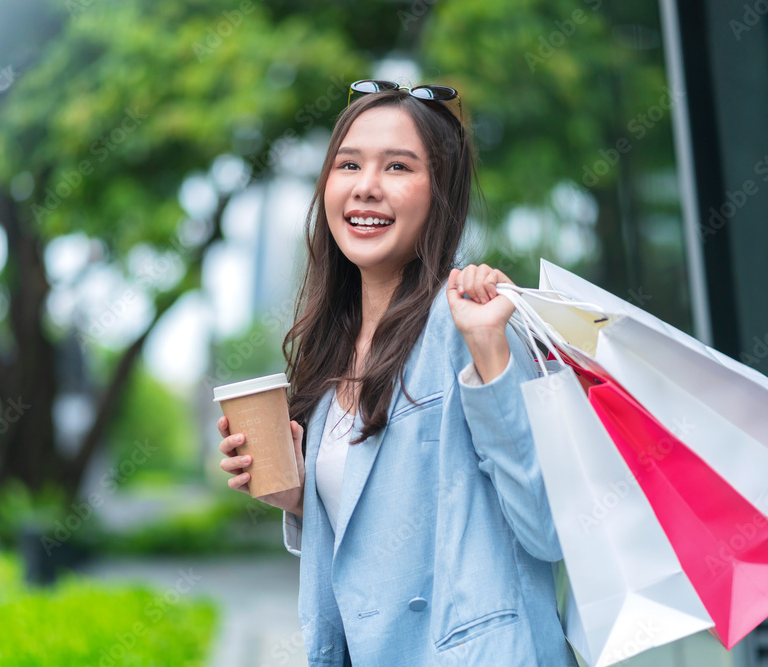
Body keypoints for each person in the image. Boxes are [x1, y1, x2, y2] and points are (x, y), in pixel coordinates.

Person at [216, 80, 577, 666]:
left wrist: (489, 348)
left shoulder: (474, 321)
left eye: (398, 167)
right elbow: (389, 531)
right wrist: (299, 495)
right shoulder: (333, 354)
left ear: (441, 192)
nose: (366, 187)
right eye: (349, 164)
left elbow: (546, 528)